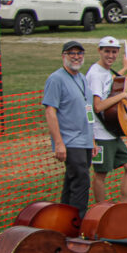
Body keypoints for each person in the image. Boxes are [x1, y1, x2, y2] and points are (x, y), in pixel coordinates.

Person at [43, 41, 96, 216]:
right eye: (71, 53)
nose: (76, 57)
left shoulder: (81, 78)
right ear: (63, 56)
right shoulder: (56, 79)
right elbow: (50, 112)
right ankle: (78, 223)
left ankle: (63, 221)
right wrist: (58, 143)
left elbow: (87, 109)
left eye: (79, 53)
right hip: (70, 141)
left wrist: (92, 139)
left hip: (85, 141)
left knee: (72, 181)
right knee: (81, 182)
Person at [86, 36, 127, 203]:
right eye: (107, 51)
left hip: (112, 130)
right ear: (99, 51)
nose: (110, 55)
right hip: (101, 133)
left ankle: (123, 205)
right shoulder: (95, 74)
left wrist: (125, 68)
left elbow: (111, 84)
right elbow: (98, 106)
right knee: (101, 174)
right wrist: (124, 95)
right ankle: (101, 210)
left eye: (114, 52)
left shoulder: (105, 71)